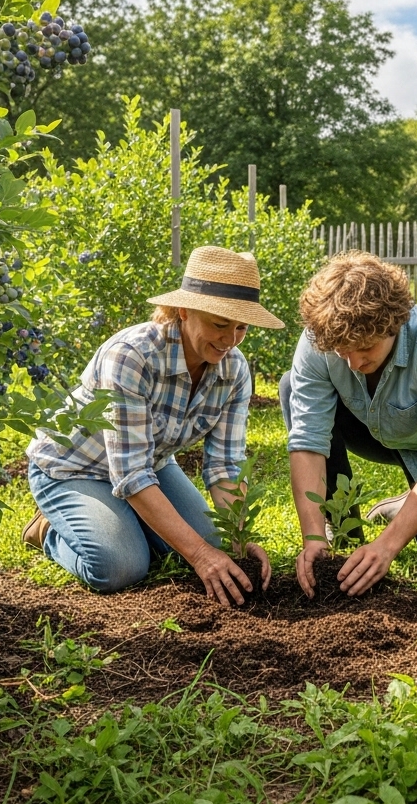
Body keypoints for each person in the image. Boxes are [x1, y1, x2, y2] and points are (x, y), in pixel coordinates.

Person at [24, 246, 284, 604]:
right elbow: (130, 473)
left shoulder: (234, 371)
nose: (230, 339)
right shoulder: (133, 356)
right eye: (220, 324)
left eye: (241, 327)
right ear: (183, 310)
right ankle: (48, 531)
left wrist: (239, 539)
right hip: (75, 467)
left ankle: (126, 522)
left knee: (216, 544)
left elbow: (224, 464)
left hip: (151, 467)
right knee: (120, 567)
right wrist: (199, 555)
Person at [280, 251, 417, 598]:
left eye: (365, 348)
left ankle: (403, 505)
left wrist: (387, 547)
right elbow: (308, 441)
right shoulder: (320, 341)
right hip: (366, 428)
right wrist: (312, 536)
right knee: (290, 387)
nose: (354, 362)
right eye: (342, 352)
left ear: (395, 323)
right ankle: (340, 521)